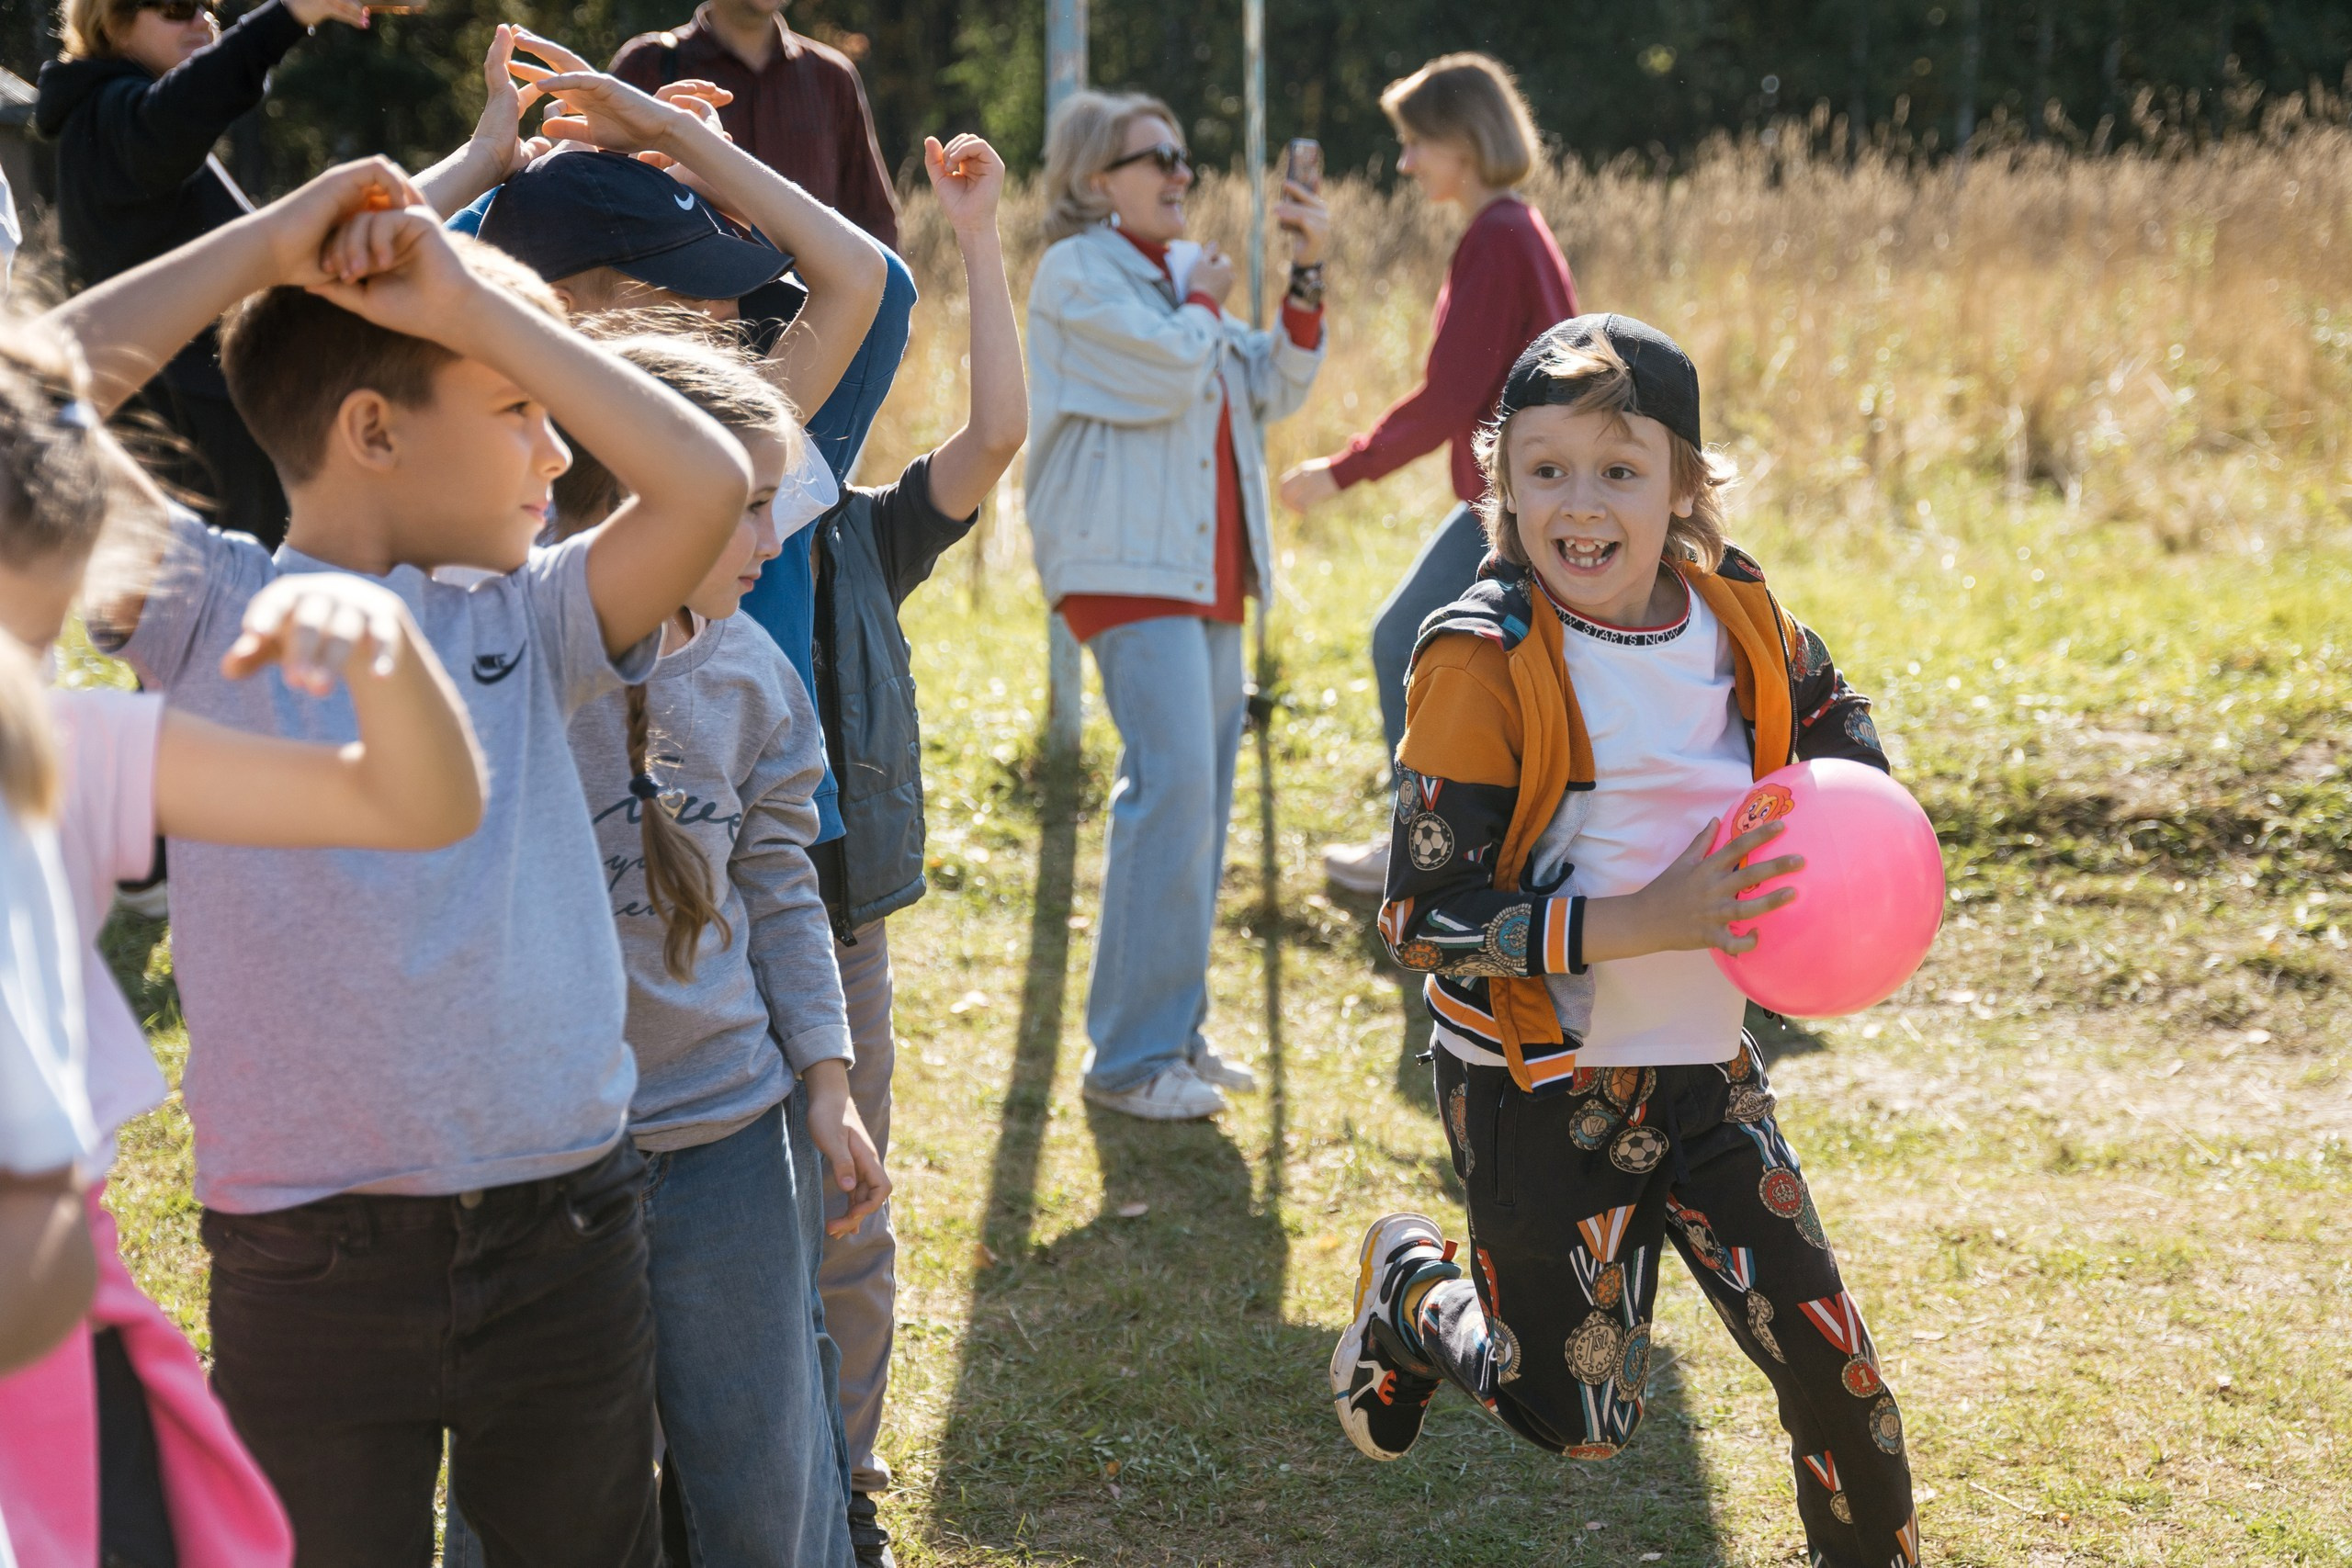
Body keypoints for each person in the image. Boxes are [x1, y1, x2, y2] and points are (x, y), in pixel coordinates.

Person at [46, 156, 755, 1563]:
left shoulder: (541, 615)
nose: (560, 456)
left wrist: (486, 316)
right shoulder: (206, 613)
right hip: (313, 1262)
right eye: (517, 415)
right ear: (372, 428)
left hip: (565, 1224)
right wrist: (261, 249)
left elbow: (710, 478)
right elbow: (26, 417)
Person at [1329, 315, 1918, 1566]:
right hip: (1539, 1090)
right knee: (1577, 1414)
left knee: (1843, 1382)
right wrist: (1640, 920)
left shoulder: (1744, 613)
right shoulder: (1479, 652)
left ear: (1687, 488)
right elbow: (1420, 917)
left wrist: (1859, 829)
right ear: (1500, 482)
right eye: (1544, 468)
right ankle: (1415, 1294)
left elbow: (1832, 715)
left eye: (1619, 468)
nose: (1578, 505)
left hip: (1709, 1077)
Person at [0, 312, 487, 1565]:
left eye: (39, 652)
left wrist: (385, 653)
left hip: (60, 1386)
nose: (27, 683)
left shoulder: (64, 747)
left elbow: (418, 802)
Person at [439, 332, 884, 1568]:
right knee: (525, 1495)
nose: (770, 540)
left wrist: (829, 1079)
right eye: (745, 507)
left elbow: (785, 890)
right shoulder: (509, 657)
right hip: (539, 1155)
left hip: (730, 1139)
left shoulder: (758, 680)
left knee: (764, 1488)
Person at [802, 131, 1024, 1566]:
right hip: (689, 928)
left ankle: (848, 1483)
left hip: (842, 930)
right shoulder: (646, 528)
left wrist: (979, 239)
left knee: (849, 1224)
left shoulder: (861, 533)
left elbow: (996, 436)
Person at [1023, 91, 1329, 1122]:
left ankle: (1174, 1036)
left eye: (1181, 155)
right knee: (1172, 791)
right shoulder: (1078, 273)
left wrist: (1306, 273)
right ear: (1091, 180)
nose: (1179, 172)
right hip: (1125, 567)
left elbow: (1269, 385)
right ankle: (1127, 1061)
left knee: (1197, 806)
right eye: (1153, 156)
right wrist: (1201, 303)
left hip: (1206, 572)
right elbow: (1164, 373)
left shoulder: (1175, 277)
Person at [1277, 53, 1577, 897]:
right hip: (1532, 497)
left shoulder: (1498, 236)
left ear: (1464, 142)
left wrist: (1340, 473)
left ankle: (1423, 855)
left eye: (1416, 144)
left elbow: (1449, 398)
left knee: (1400, 639)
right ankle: (1468, 850)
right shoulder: (1516, 228)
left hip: (1516, 506)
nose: (1406, 163)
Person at [34, 0, 369, 547]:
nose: (202, 21)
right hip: (185, 453)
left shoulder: (119, 122)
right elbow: (178, 112)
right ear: (112, 25)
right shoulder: (113, 114)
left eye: (206, 6)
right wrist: (288, 15)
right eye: (175, 8)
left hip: (203, 439)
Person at [608, 0, 898, 252]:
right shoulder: (648, 65)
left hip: (817, 310)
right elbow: (602, 207)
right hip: (689, 310)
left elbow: (871, 218)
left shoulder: (832, 77)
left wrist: (886, 308)